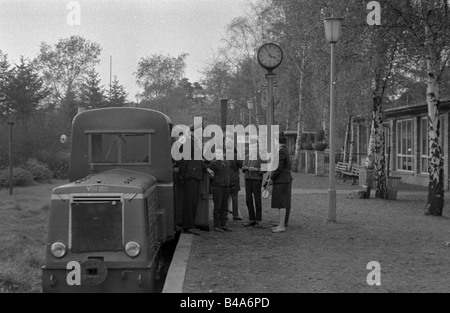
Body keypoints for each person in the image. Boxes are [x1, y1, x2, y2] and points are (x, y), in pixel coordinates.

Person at [177, 125, 213, 235]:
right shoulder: (188, 142)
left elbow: (197, 160)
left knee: (193, 201)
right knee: (190, 202)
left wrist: (206, 169)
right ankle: (188, 226)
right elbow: (184, 160)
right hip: (191, 175)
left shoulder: (192, 141)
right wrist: (182, 174)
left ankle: (190, 225)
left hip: (194, 174)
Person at [267, 132, 293, 233]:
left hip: (281, 180)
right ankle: (280, 224)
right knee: (280, 203)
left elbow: (278, 168)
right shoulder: (283, 150)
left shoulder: (281, 151)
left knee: (281, 203)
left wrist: (271, 179)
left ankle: (281, 226)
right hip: (283, 180)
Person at [242, 138, 265, 228]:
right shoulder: (247, 156)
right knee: (248, 200)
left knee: (257, 200)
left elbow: (265, 169)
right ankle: (251, 218)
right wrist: (245, 168)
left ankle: (258, 220)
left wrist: (256, 169)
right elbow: (243, 168)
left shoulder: (261, 157)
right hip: (248, 179)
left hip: (256, 180)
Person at [210, 147, 232, 232]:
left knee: (225, 206)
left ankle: (224, 224)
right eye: (217, 153)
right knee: (217, 206)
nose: (218, 154)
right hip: (217, 187)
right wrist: (215, 183)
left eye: (220, 153)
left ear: (224, 154)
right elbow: (211, 176)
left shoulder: (228, 163)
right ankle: (216, 225)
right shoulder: (213, 163)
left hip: (226, 186)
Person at [226, 138, 243, 221]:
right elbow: (241, 165)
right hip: (234, 179)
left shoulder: (224, 155)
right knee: (234, 198)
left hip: (226, 179)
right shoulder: (236, 156)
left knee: (225, 197)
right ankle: (235, 215)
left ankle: (225, 214)